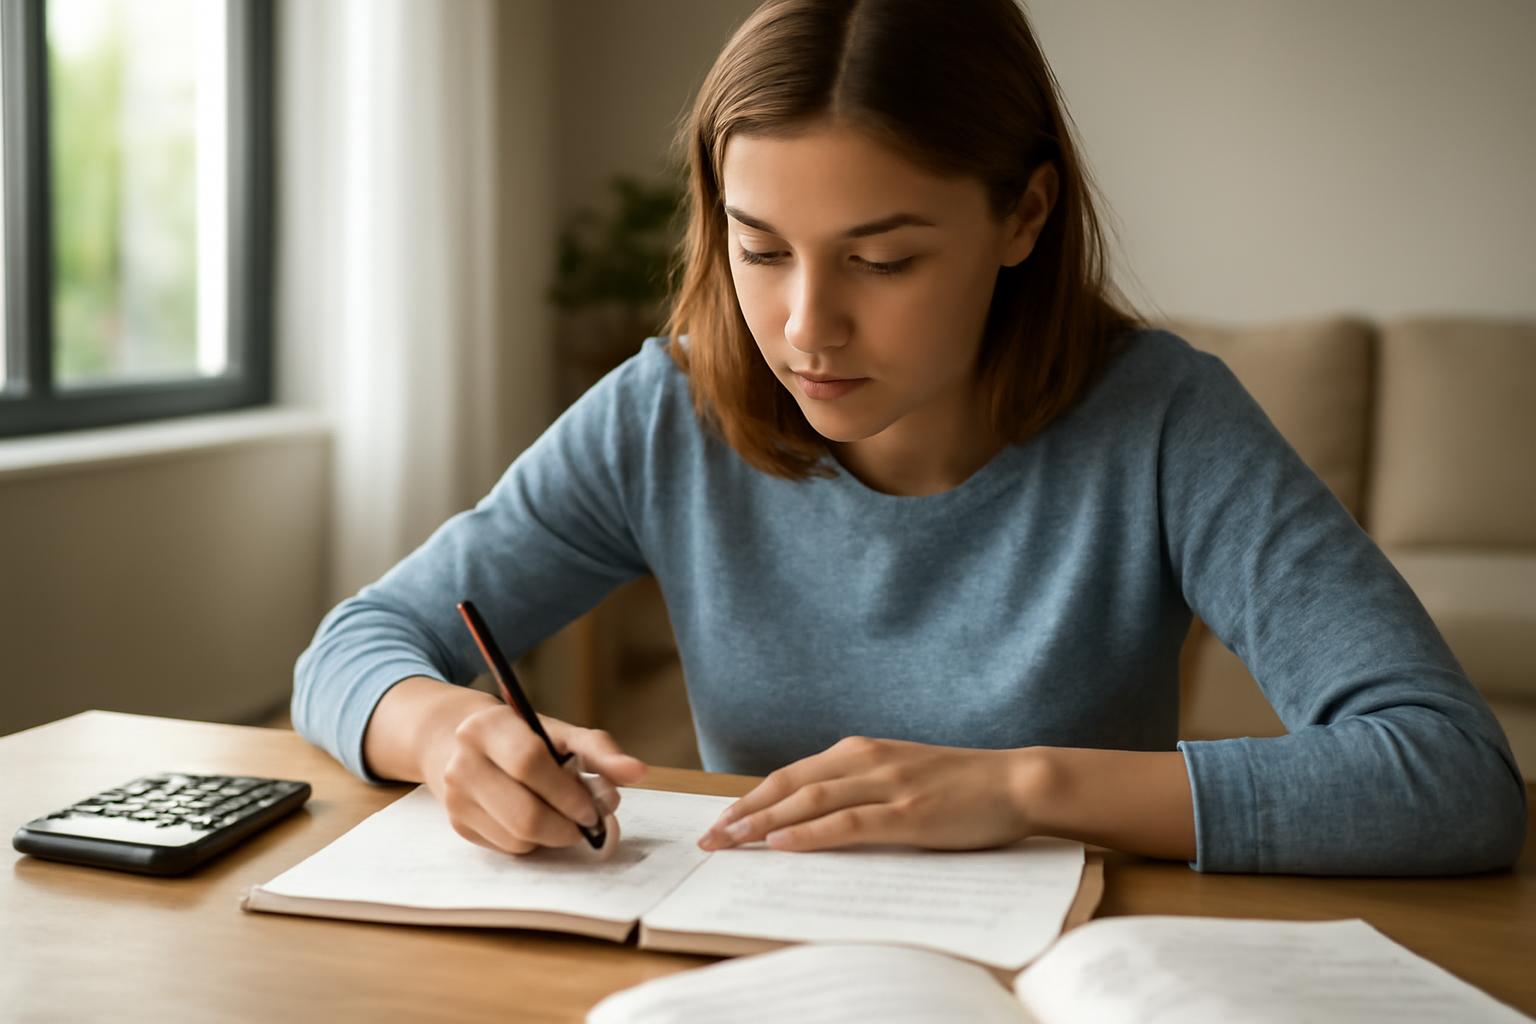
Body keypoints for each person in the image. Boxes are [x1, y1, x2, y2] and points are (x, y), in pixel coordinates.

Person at [292, 0, 1526, 875]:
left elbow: (1449, 775)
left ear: (1024, 215)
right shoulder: (666, 408)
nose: (803, 326)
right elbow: (354, 645)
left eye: (881, 260)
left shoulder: (1165, 420)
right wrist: (448, 732)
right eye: (759, 248)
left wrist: (1021, 785)